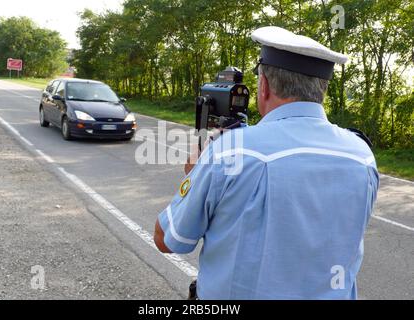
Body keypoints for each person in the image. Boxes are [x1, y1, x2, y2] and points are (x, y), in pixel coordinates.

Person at [154, 26, 379, 300]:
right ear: (322, 89)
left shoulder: (230, 151)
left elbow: (167, 239)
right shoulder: (362, 156)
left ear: (265, 86)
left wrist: (194, 172)